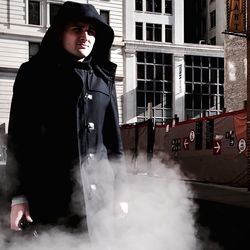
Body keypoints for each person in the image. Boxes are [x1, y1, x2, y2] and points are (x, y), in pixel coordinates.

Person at [6, 1, 127, 243]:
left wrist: (121, 194)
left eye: (91, 31)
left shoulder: (103, 79)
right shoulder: (33, 73)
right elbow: (19, 139)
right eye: (77, 29)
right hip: (52, 195)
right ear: (60, 32)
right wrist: (18, 197)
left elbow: (114, 143)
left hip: (100, 198)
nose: (85, 36)